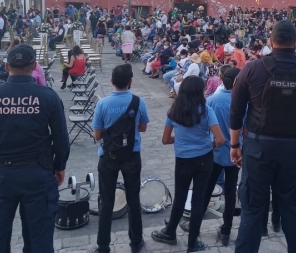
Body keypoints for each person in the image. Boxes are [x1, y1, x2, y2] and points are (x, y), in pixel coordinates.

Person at [0, 44, 70, 252]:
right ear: (34, 65)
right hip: (38, 173)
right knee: (39, 239)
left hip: (2, 173)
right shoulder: (48, 96)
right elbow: (61, 138)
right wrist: (59, 165)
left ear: (7, 66)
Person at [229, 20, 296, 253]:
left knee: (252, 210)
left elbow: (236, 111)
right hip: (292, 149)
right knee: (292, 210)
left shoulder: (251, 69)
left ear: (271, 42)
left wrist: (234, 145)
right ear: (295, 43)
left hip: (258, 147)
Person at [152, 76, 225, 252]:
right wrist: (211, 143)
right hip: (204, 159)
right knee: (199, 201)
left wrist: (181, 139)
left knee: (180, 198)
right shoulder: (206, 111)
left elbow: (165, 140)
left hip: (183, 160)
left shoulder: (173, 112)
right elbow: (221, 138)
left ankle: (170, 233)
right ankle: (193, 243)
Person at [180, 67, 241, 246]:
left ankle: (194, 226)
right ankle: (226, 230)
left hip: (215, 152)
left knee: (205, 190)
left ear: (221, 78)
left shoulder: (213, 100)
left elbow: (206, 127)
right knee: (230, 192)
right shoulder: (242, 101)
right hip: (235, 153)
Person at [92, 64, 150, 253]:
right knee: (133, 199)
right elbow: (142, 128)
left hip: (108, 156)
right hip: (131, 154)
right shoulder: (138, 102)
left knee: (106, 201)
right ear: (130, 82)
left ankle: (103, 246)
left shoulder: (102, 104)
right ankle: (135, 241)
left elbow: (97, 135)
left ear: (111, 81)